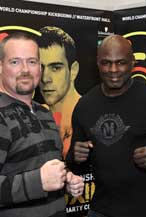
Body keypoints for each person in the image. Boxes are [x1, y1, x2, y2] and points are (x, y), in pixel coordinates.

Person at [66, 35, 146, 217]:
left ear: (132, 63)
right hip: (101, 210)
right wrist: (75, 157)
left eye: (121, 63)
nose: (113, 70)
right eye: (106, 63)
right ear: (97, 63)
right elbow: (75, 166)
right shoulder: (85, 105)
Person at [0, 32, 84, 217]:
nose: (25, 70)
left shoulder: (44, 113)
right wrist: (38, 182)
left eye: (32, 62)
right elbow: (40, 179)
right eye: (15, 62)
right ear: (0, 66)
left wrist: (66, 180)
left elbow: (44, 169)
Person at [37, 26, 81, 158]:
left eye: (55, 68)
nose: (45, 78)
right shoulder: (33, 117)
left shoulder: (92, 114)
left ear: (73, 70)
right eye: (40, 67)